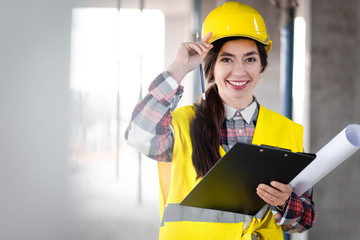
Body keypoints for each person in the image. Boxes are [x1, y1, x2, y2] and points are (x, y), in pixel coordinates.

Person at [125, 2, 316, 239]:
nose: (239, 71)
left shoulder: (287, 131)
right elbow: (139, 134)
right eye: (226, 60)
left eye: (250, 59)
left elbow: (302, 222)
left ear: (262, 65)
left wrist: (286, 203)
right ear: (211, 65)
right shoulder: (182, 125)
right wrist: (179, 68)